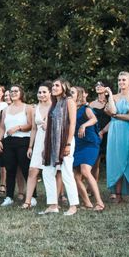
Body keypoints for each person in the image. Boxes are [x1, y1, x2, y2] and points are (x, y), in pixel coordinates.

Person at [38, 79, 80, 216]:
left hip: (64, 141)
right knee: (47, 172)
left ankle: (73, 206)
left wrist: (67, 144)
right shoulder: (54, 103)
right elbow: (49, 127)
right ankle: (53, 205)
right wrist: (45, 147)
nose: (54, 87)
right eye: (53, 85)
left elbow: (73, 124)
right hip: (51, 143)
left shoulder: (69, 101)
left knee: (67, 172)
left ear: (64, 87)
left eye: (57, 85)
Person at [105, 71, 129, 203]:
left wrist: (114, 116)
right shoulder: (113, 96)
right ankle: (118, 194)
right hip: (115, 132)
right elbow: (111, 110)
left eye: (124, 80)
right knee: (116, 161)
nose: (121, 82)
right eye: (119, 80)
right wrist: (109, 95)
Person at [0, 85, 33, 207]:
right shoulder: (6, 110)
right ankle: (9, 196)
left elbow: (31, 125)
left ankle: (32, 196)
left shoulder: (27, 108)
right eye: (11, 91)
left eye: (16, 91)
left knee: (25, 169)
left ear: (21, 93)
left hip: (23, 141)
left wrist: (18, 127)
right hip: (8, 142)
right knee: (10, 169)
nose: (13, 93)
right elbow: (2, 127)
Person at [71, 86, 105, 211]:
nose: (70, 94)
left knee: (85, 170)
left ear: (79, 95)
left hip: (90, 143)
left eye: (72, 92)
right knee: (76, 175)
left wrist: (84, 125)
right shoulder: (71, 109)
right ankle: (87, 203)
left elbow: (94, 119)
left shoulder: (85, 108)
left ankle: (100, 202)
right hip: (77, 145)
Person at [22, 82, 52, 209]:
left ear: (50, 93)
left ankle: (54, 201)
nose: (41, 94)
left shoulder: (55, 106)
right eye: (39, 92)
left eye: (44, 92)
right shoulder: (35, 108)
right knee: (32, 170)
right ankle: (27, 201)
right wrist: (30, 146)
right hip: (39, 140)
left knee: (54, 172)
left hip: (52, 140)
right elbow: (34, 128)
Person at [89, 80, 111, 182]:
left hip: (109, 134)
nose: (98, 86)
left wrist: (103, 131)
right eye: (96, 85)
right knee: (94, 162)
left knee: (111, 161)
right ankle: (92, 187)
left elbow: (114, 119)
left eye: (101, 85)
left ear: (106, 88)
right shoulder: (92, 104)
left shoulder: (111, 102)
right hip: (95, 134)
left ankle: (114, 190)